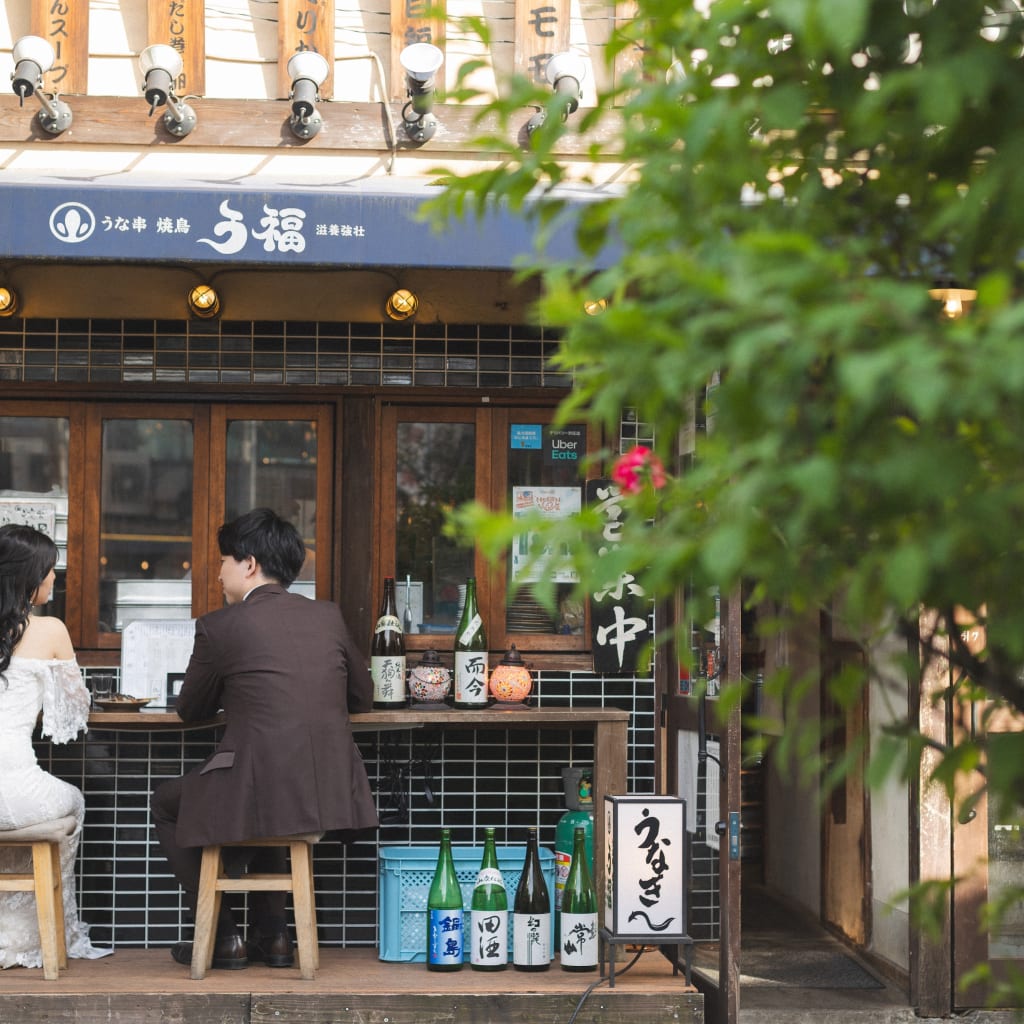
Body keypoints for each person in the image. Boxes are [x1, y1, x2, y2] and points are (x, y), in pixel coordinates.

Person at [152, 507, 377, 970]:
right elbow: (363, 695)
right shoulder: (329, 617)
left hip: (259, 785)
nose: (217, 573)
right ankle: (275, 937)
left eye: (222, 561)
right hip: (325, 790)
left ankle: (222, 935)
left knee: (167, 802)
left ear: (249, 563)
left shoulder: (220, 627)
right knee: (274, 798)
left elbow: (190, 710)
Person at [0, 523, 112, 969]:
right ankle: (45, 936)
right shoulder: (49, 628)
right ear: (30, 576)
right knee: (74, 802)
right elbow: (71, 717)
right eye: (50, 571)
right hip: (19, 792)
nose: (54, 580)